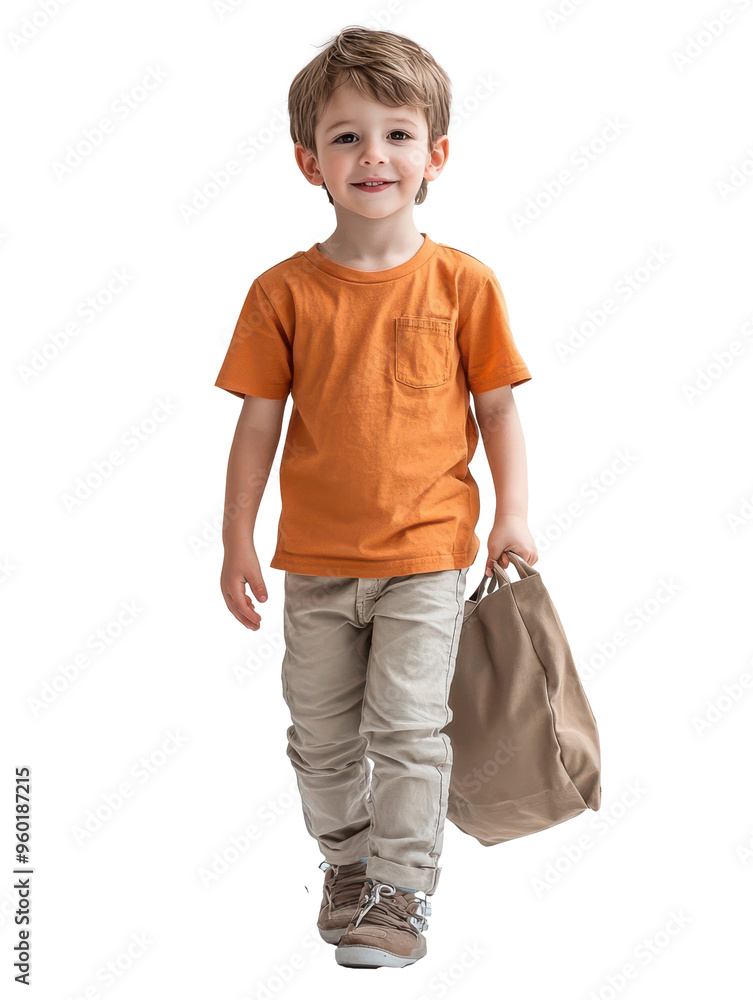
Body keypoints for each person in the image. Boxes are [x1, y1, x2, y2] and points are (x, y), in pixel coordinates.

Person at [214, 25, 538, 969]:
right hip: (313, 563)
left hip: (427, 559)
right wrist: (237, 541)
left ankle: (399, 892)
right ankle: (347, 862)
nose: (373, 156)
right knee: (318, 738)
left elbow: (500, 413)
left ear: (434, 154)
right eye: (346, 136)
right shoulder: (281, 294)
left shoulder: (463, 283)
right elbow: (255, 432)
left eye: (396, 134)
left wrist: (512, 513)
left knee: (405, 728)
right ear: (308, 161)